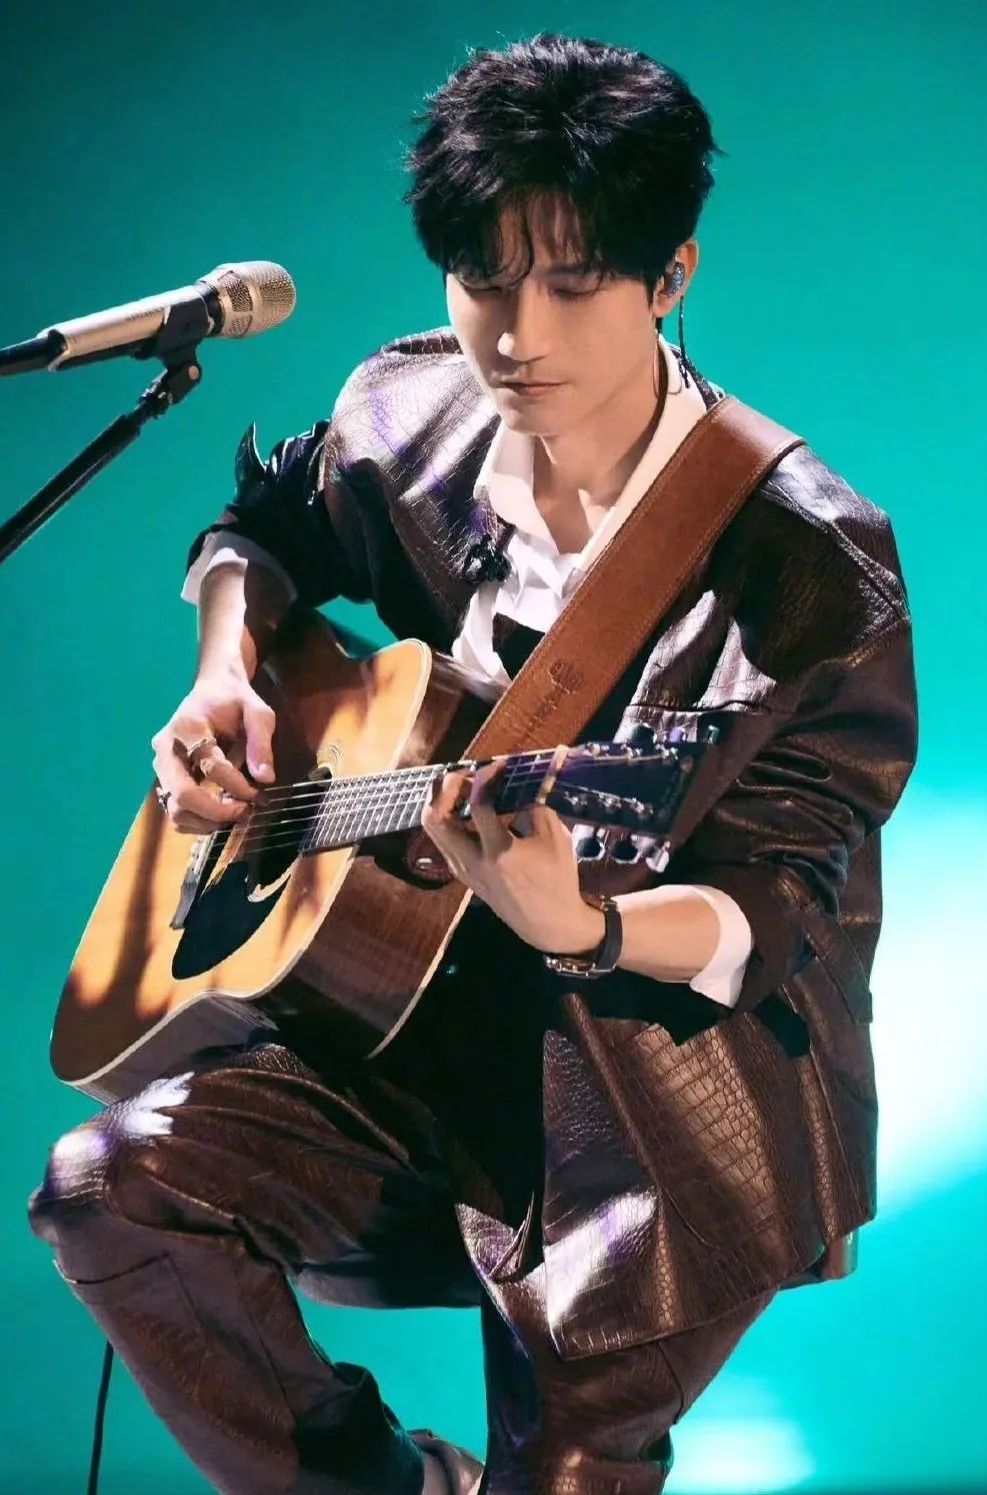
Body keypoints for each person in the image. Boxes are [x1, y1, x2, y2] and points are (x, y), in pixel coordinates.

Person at [29, 33, 918, 1495]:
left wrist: (588, 924)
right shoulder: (417, 412)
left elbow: (783, 895)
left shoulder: (806, 560)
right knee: (109, 1193)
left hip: (657, 1098)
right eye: (482, 280)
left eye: (572, 283)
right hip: (405, 1025)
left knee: (560, 1471)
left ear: (671, 275)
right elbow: (266, 527)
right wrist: (225, 671)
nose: (516, 334)